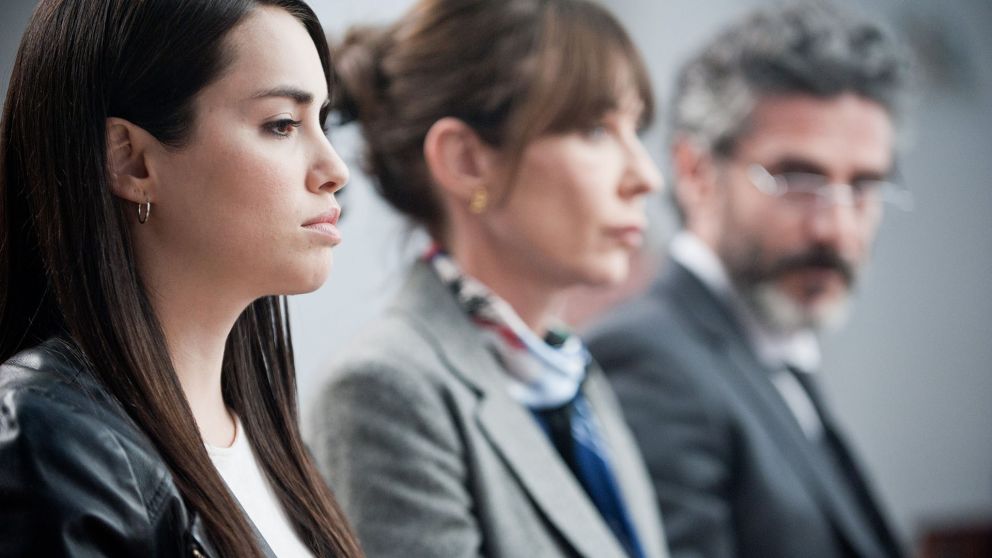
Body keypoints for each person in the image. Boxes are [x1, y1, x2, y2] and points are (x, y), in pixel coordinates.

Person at [0, 0, 361, 556]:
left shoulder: (266, 439)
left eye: (323, 121)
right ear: (131, 160)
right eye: (282, 124)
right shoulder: (49, 439)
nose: (334, 168)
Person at [308, 1, 669, 557]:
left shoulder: (568, 375)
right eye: (596, 129)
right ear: (467, 161)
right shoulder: (385, 389)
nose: (646, 176)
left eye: (635, 128)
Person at [585, 4, 913, 558]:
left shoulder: (772, 352)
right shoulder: (648, 361)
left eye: (863, 186)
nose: (835, 228)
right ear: (695, 172)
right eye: (796, 179)